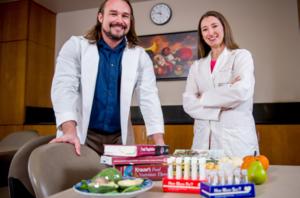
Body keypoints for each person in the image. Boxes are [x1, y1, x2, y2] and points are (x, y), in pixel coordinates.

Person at [50, 0, 165, 156]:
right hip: (82, 133)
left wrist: (159, 143)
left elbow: (149, 97)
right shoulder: (76, 46)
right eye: (113, 14)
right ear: (100, 17)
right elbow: (64, 88)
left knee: (122, 180)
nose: (119, 20)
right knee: (80, 180)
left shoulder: (140, 56)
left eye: (125, 16)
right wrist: (69, 132)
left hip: (120, 137)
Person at [182, 11, 259, 158]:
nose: (210, 32)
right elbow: (188, 103)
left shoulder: (241, 56)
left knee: (236, 178)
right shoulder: (197, 66)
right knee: (204, 179)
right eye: (205, 29)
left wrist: (202, 97)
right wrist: (224, 95)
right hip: (203, 142)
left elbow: (241, 92)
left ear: (224, 28)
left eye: (214, 26)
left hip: (234, 142)